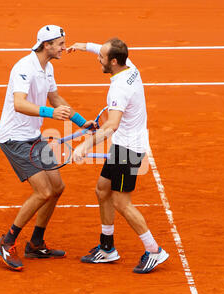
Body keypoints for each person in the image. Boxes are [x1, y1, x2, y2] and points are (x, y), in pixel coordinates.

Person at [0, 25, 95, 271]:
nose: (64, 48)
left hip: (34, 136)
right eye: (60, 44)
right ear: (46, 45)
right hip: (14, 139)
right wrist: (50, 113)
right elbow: (19, 104)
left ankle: (36, 244)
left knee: (57, 187)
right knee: (43, 192)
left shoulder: (47, 68)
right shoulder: (23, 68)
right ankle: (6, 242)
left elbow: (56, 98)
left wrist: (83, 122)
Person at [67, 39, 169, 273]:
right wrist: (82, 46)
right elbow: (102, 48)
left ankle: (153, 250)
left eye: (101, 57)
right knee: (103, 189)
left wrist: (86, 146)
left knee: (122, 202)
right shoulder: (130, 66)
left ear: (113, 61)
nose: (98, 59)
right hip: (121, 147)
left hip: (128, 150)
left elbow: (112, 124)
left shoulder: (119, 88)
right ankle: (107, 247)